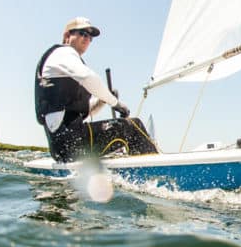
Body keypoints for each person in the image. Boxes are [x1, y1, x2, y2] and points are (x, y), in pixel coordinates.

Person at [35, 17, 158, 162]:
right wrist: (115, 103)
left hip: (63, 147)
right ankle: (157, 169)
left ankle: (137, 167)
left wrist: (101, 101)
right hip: (71, 141)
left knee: (123, 132)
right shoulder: (63, 52)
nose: (87, 39)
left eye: (90, 37)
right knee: (133, 126)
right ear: (67, 36)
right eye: (82, 33)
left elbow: (84, 111)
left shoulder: (66, 66)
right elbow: (89, 77)